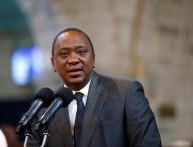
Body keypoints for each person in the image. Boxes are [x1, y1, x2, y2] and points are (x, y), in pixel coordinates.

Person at [27, 28, 162, 147]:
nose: (73, 59)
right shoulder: (44, 108)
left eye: (81, 52)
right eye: (64, 54)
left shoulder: (126, 93)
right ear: (53, 63)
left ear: (93, 58)